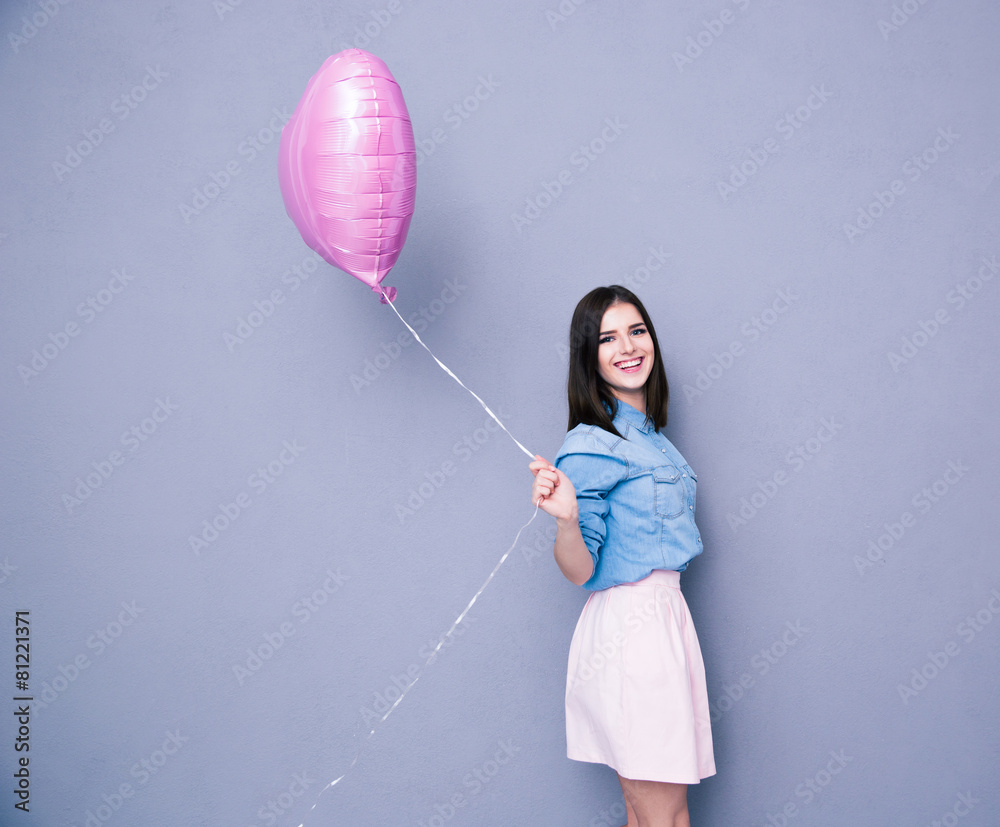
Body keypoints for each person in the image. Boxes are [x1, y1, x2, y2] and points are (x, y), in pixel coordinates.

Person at [529, 285, 715, 827]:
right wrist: (566, 519)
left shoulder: (654, 439)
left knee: (649, 816)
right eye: (607, 337)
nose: (627, 346)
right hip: (631, 632)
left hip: (665, 623)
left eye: (637, 330)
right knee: (665, 818)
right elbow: (580, 570)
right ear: (589, 357)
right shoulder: (589, 443)